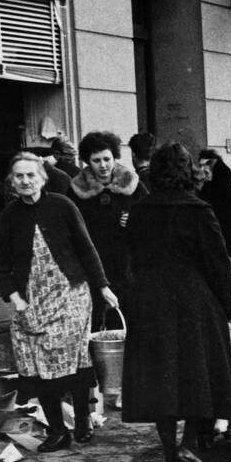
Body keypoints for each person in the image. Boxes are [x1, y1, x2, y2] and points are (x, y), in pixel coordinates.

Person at [121, 142, 231, 462]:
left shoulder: (140, 210)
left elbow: (130, 257)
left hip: (150, 302)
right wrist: (227, 304)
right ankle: (188, 444)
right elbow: (217, 261)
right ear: (188, 172)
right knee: (196, 375)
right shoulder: (198, 209)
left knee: (161, 381)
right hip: (191, 299)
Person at [0, 153, 118, 452]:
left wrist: (103, 286)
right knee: (36, 364)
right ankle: (58, 430)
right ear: (12, 181)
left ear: (43, 178)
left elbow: (86, 249)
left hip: (70, 294)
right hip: (31, 301)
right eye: (19, 176)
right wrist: (15, 298)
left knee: (72, 358)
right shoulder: (8, 217)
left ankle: (84, 419)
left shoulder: (62, 205)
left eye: (30, 175)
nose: (24, 181)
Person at [69, 130, 147, 329]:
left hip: (128, 264)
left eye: (107, 159)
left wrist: (135, 221)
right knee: (95, 320)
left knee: (131, 317)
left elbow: (152, 219)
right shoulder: (76, 191)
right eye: (96, 160)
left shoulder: (134, 185)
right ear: (87, 161)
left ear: (115, 157)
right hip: (93, 264)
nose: (103, 165)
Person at [195, 149, 231, 270]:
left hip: (227, 251)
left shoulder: (230, 194)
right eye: (200, 165)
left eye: (205, 165)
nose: (202, 170)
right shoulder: (205, 192)